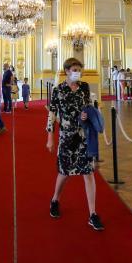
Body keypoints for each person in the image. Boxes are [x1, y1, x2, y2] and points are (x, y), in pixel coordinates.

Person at [46, 57, 104, 231]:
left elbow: (88, 106)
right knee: (64, 173)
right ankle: (55, 199)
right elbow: (52, 113)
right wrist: (50, 137)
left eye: (79, 70)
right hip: (66, 137)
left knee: (88, 173)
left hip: (83, 136)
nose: (77, 72)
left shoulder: (84, 87)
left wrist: (87, 114)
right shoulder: (58, 90)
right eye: (74, 70)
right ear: (67, 71)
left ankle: (93, 214)